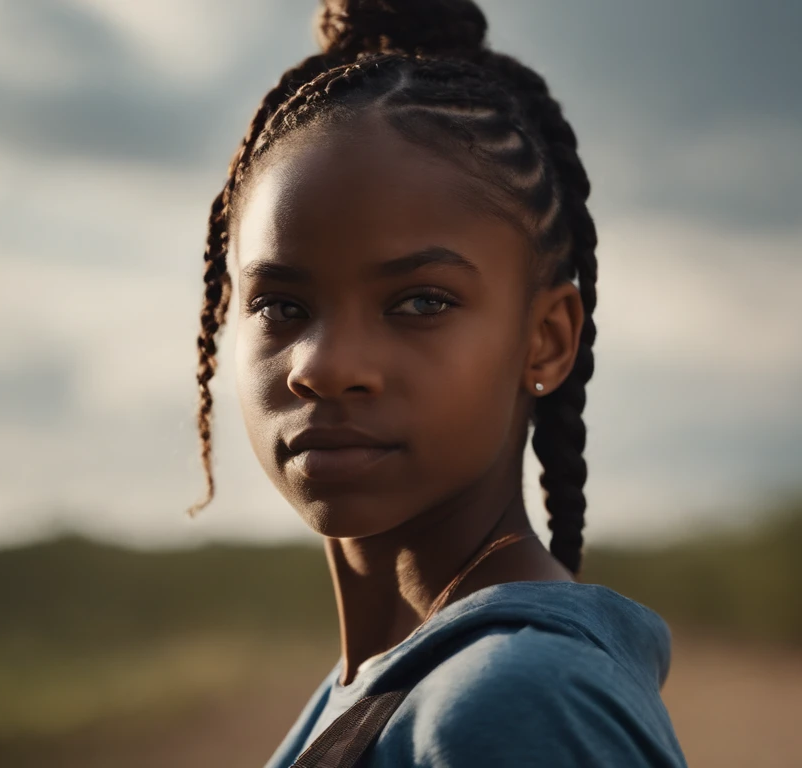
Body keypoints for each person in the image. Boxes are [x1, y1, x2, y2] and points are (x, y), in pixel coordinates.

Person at [186, 1, 687, 765]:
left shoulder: (514, 701)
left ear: (546, 341)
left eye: (421, 301)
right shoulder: (393, 684)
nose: (323, 366)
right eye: (281, 305)